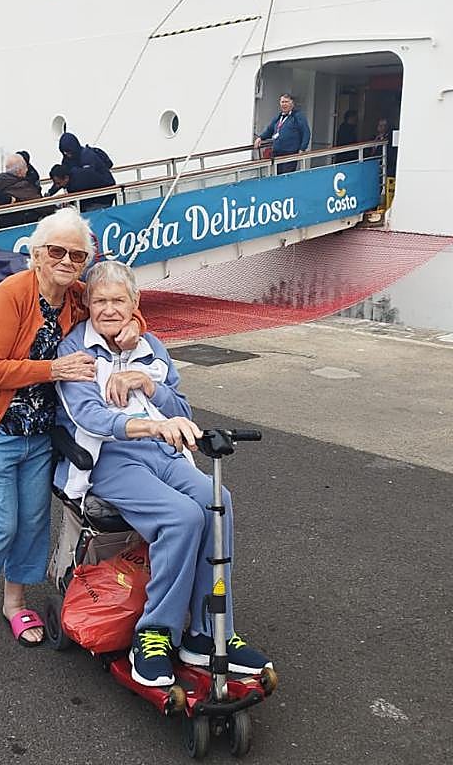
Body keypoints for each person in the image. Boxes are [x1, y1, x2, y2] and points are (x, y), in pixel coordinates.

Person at [0, 209, 144, 668]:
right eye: (56, 251)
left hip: (40, 433)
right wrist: (53, 369)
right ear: (37, 254)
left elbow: (115, 302)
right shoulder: (10, 296)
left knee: (33, 523)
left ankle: (15, 603)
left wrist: (135, 321)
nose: (66, 260)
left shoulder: (75, 297)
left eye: (76, 254)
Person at [54, 261, 272, 688]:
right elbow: (89, 416)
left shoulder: (149, 344)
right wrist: (150, 424)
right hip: (111, 458)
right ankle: (154, 633)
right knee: (182, 517)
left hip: (162, 453)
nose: (109, 309)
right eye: (100, 300)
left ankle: (209, 634)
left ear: (135, 303)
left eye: (119, 300)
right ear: (87, 304)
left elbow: (182, 412)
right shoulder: (74, 350)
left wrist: (150, 386)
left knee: (218, 502)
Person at [54, 132, 115, 209]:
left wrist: (70, 195)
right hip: (84, 199)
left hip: (101, 197)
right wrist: (51, 193)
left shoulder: (87, 155)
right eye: (64, 152)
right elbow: (62, 177)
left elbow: (87, 177)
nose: (67, 153)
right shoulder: (66, 160)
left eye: (68, 151)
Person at [255, 93, 310, 174]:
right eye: (282, 102)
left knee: (286, 176)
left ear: (292, 103)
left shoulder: (298, 116)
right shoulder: (279, 116)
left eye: (286, 102)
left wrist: (302, 148)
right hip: (277, 153)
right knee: (276, 176)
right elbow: (269, 130)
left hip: (290, 154)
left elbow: (306, 133)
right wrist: (260, 138)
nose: (284, 104)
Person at [0, 154, 51, 229]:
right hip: (22, 223)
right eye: (25, 167)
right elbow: (39, 204)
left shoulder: (0, 182)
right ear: (19, 171)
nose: (27, 170)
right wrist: (56, 208)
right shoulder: (21, 186)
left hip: (4, 223)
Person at [47, 163, 115, 213]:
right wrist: (50, 193)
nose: (58, 186)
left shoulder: (77, 184)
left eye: (58, 183)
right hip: (100, 196)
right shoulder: (73, 173)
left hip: (102, 200)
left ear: (66, 178)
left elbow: (80, 202)